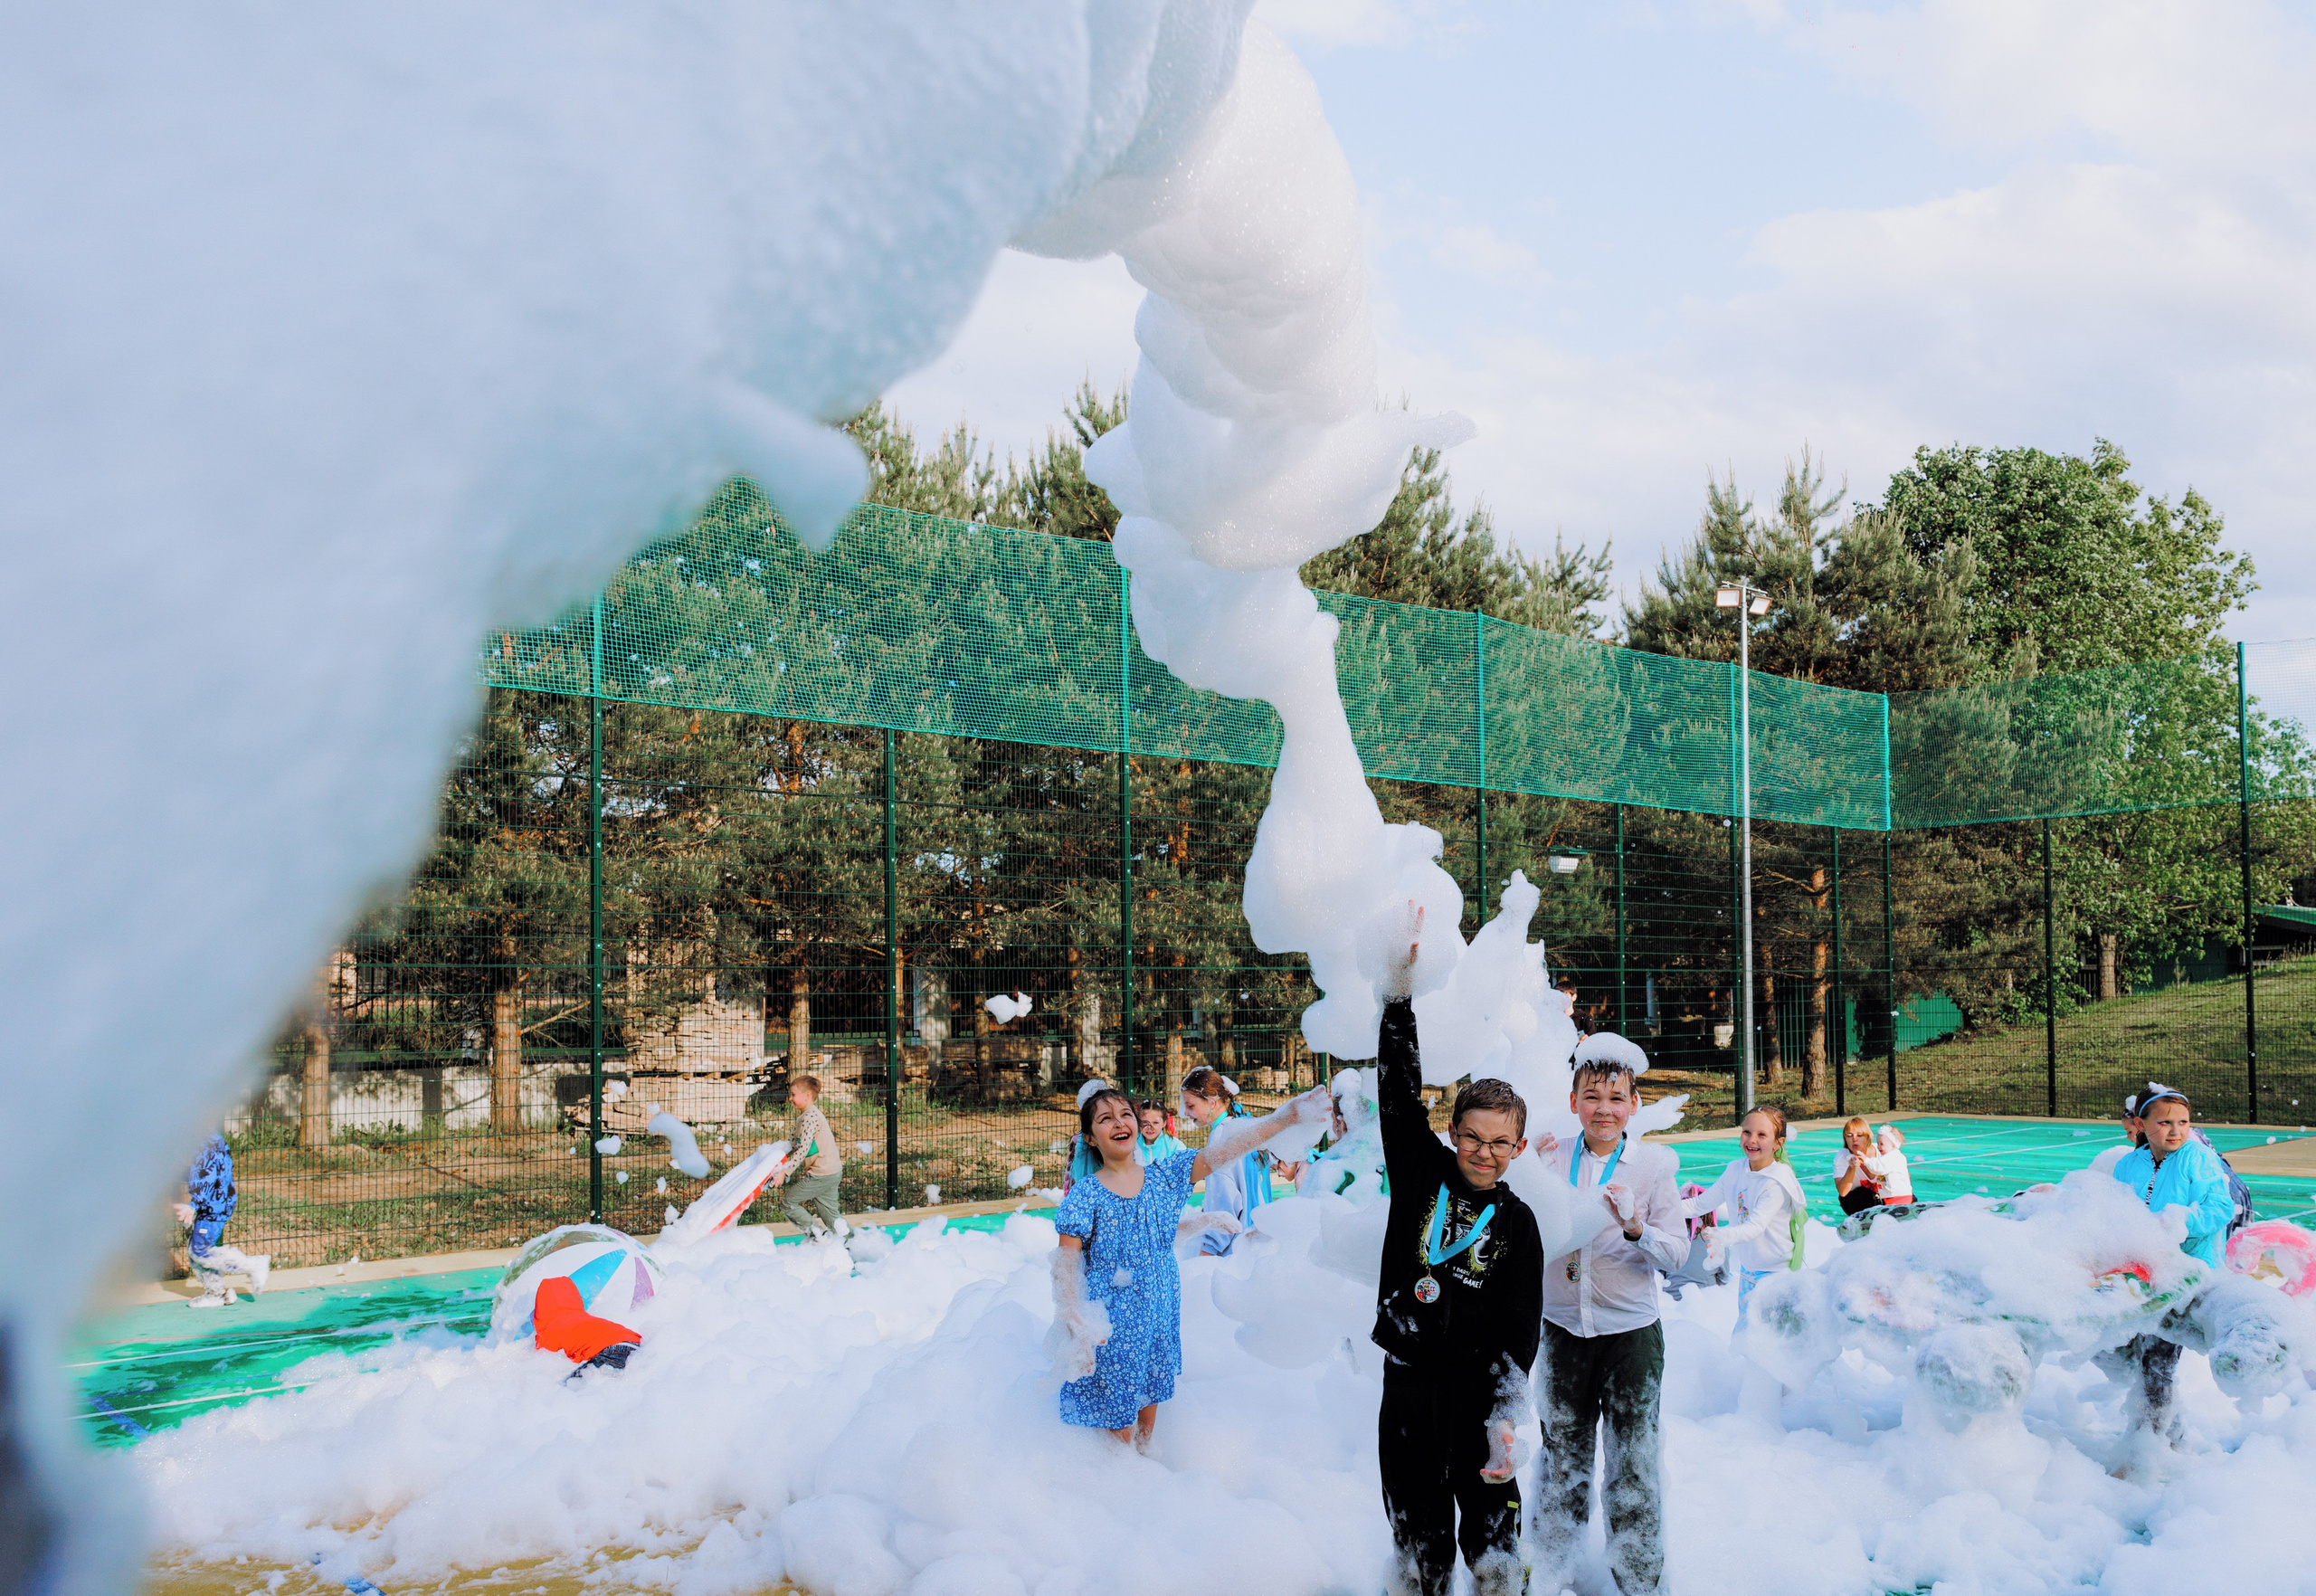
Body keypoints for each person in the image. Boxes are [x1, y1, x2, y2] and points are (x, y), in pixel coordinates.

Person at [1372, 906, 1544, 1596]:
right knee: (1418, 1540)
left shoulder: (1518, 1224)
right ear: (1453, 1132)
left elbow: (1520, 1329)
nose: (1483, 1152)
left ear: (1518, 1148)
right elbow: (1396, 1089)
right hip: (1410, 1385)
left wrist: (1507, 1416)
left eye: (1500, 1142)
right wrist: (1397, 991)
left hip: (1477, 1396)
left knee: (1494, 1541)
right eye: (1473, 1136)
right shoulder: (1422, 1172)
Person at [1049, 1079, 1326, 1449]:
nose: (1119, 1122)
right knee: (1117, 1425)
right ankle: (1116, 1474)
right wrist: (1076, 1322)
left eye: (1125, 1114)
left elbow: (1224, 1151)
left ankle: (1143, 1467)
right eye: (1105, 1119)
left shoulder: (1162, 1178)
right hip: (1112, 1326)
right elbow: (1066, 1265)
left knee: (1149, 1409)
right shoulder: (1087, 1194)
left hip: (1158, 1318)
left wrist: (1287, 1118)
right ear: (1090, 1138)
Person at [1525, 1037, 1684, 1596]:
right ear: (1573, 1101)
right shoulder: (1549, 1155)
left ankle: (1640, 1583)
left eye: (1617, 1098)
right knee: (1560, 1458)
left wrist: (1637, 1228)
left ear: (1634, 1105)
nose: (1604, 1109)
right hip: (1561, 1330)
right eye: (1592, 1096)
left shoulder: (1653, 1165)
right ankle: (1552, 1576)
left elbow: (1678, 1253)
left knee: (1633, 1463)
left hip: (1630, 1336)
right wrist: (1525, 1165)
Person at [2108, 1085, 2235, 1441]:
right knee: (2129, 1355)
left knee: (2156, 1361)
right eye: (2165, 1122)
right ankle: (2171, 1435)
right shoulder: (2128, 1165)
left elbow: (2220, 1207)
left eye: (2183, 1122)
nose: (2176, 1131)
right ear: (2141, 1124)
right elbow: (2115, 1213)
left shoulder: (2198, 1157)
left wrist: (2179, 1222)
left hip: (2187, 1274)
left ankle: (2146, 1447)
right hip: (2143, 1273)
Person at [1682, 1107, 1807, 1325]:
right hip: (1749, 1271)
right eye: (1747, 1132)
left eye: (1762, 1135)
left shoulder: (1776, 1182)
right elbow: (1701, 1204)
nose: (1752, 1140)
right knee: (1746, 1333)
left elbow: (1754, 1227)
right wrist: (1660, 1208)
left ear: (1778, 1143)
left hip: (1776, 1275)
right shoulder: (1735, 1170)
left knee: (1768, 1337)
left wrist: (1723, 1236)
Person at [1181, 1065, 1274, 1254]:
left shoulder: (1220, 1139)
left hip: (1235, 1251)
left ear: (1211, 1102)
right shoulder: (1242, 1126)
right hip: (1260, 1242)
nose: (1186, 1113)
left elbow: (1224, 1202)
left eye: (1191, 1106)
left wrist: (1209, 1248)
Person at [173, 1132, 271, 1306]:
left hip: (213, 1208)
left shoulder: (205, 1145)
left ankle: (252, 1265)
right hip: (217, 1203)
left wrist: (193, 1205)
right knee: (196, 1250)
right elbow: (206, 1174)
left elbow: (206, 1176)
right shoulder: (210, 1140)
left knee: (199, 1250)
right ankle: (218, 1293)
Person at [771, 1075, 845, 1239]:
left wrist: (784, 1172)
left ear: (807, 1096)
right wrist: (774, 1157)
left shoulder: (810, 1118)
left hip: (821, 1174)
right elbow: (792, 1144)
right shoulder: (806, 1116)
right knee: (832, 1217)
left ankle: (817, 1237)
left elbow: (803, 1149)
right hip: (831, 1172)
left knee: (788, 1203)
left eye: (793, 1095)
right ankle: (853, 1243)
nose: (790, 1098)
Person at [1833, 1116, 1884, 1216]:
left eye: (1859, 1135)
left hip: (1882, 1196)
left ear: (1868, 1137)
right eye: (1849, 1136)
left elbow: (1903, 1178)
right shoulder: (1842, 1157)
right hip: (1856, 1199)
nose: (1854, 1139)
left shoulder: (1882, 1151)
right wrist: (1851, 1168)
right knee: (1863, 1195)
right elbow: (1842, 1192)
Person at [1873, 1124, 1914, 1205]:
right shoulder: (1891, 1157)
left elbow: (1878, 1168)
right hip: (1897, 1195)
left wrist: (1866, 1160)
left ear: (1893, 1145)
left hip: (1897, 1196)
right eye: (1878, 1143)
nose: (1878, 1146)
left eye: (1881, 1144)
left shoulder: (1892, 1157)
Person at [1136, 1098, 1189, 1163]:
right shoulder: (1132, 1144)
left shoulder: (1175, 1147)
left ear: (1164, 1123)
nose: (1150, 1127)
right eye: (1145, 1122)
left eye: (1155, 1123)